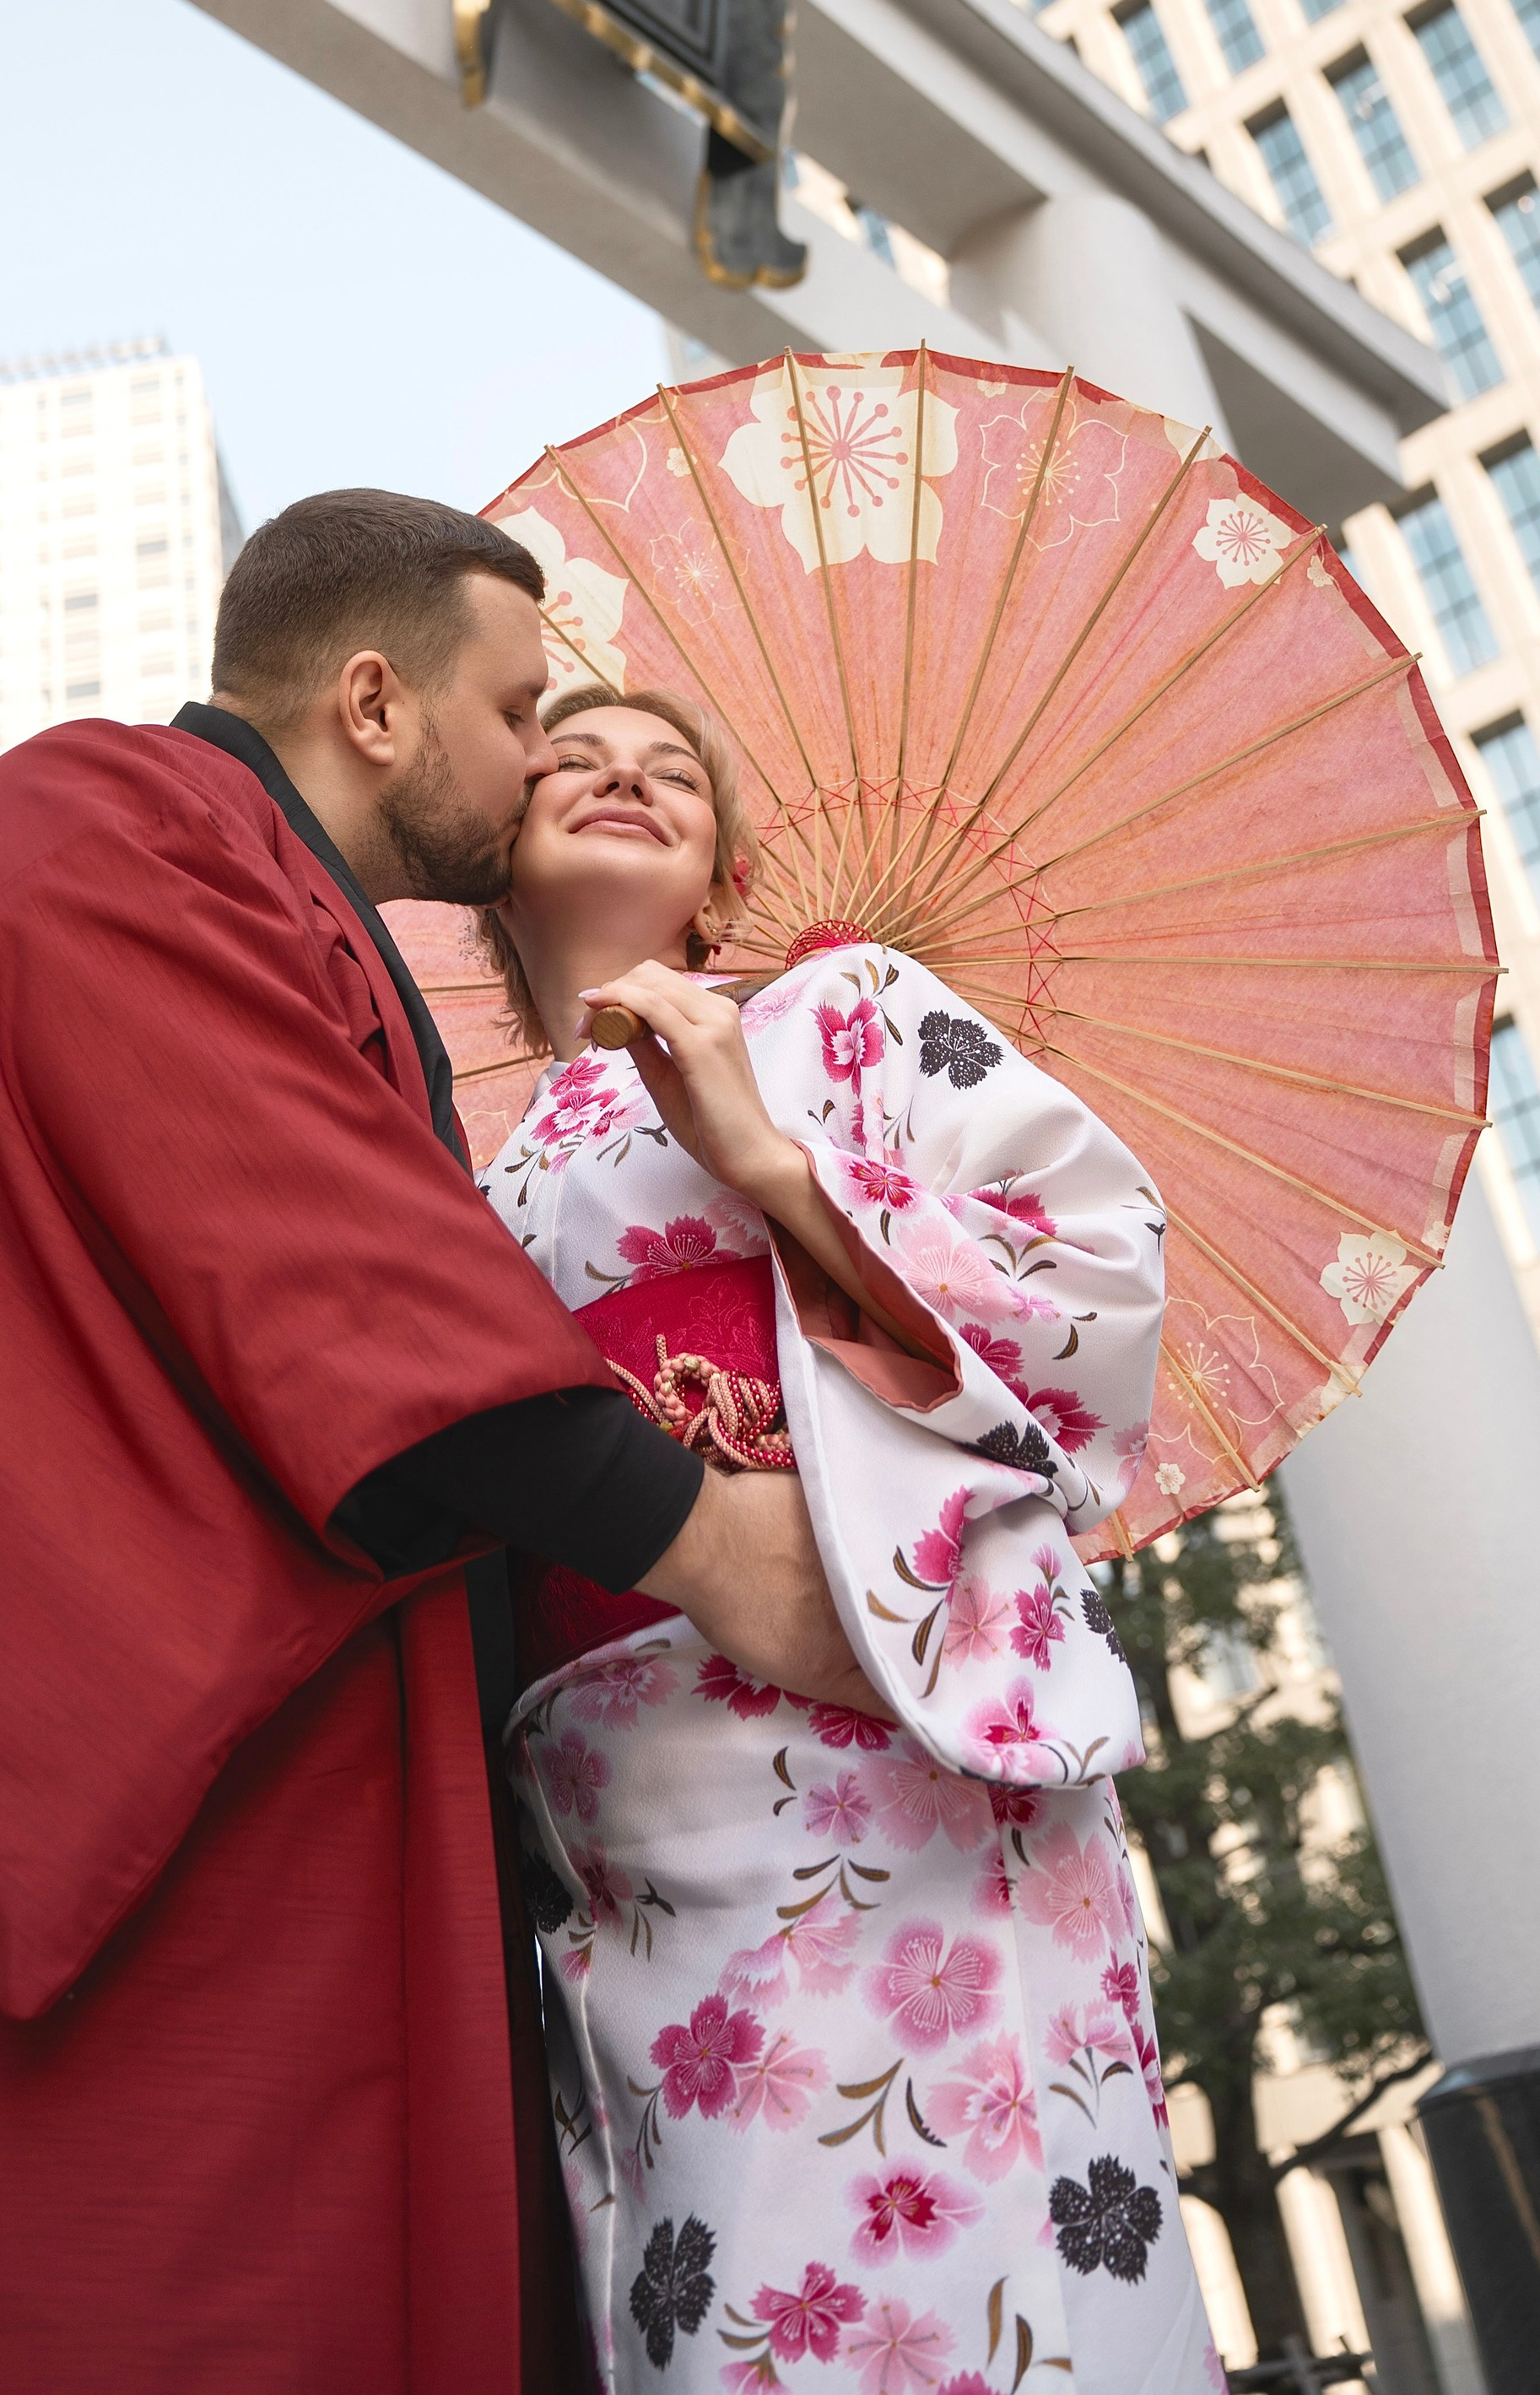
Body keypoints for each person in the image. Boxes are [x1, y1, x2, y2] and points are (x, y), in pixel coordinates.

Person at [0, 492, 881, 2395]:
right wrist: (714, 1544)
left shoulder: (263, 894)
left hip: (375, 1774)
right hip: (135, 1788)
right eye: (521, 712)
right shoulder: (105, 818)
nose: (542, 758)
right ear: (376, 704)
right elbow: (308, 1251)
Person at [478, 684, 1220, 2394]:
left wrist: (773, 1160)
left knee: (974, 2238)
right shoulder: (478, 1173)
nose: (619, 773)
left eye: (670, 770)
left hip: (881, 1723)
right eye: (569, 758)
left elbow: (1099, 1271)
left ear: (725, 881)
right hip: (610, 1792)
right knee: (711, 2280)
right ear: (496, 855)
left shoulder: (844, 1010)